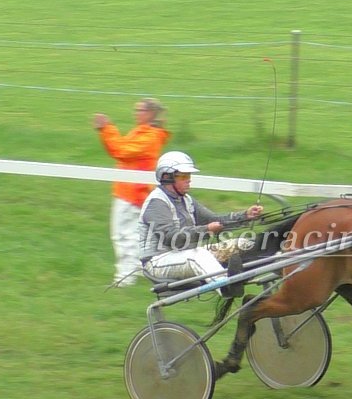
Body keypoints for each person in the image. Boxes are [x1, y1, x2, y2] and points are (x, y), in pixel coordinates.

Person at [139, 151, 263, 287]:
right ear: (167, 177)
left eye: (189, 175)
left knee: (243, 244)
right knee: (199, 255)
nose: (189, 179)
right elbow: (171, 237)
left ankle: (242, 279)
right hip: (157, 263)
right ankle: (226, 287)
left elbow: (213, 219)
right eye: (183, 176)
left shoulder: (186, 200)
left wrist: (245, 216)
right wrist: (207, 230)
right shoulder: (156, 202)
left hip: (186, 255)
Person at [95, 98, 171, 287]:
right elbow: (121, 148)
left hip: (132, 192)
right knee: (133, 234)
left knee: (122, 235)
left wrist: (106, 128)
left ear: (151, 113)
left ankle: (124, 277)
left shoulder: (149, 136)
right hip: (131, 190)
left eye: (140, 110)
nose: (136, 113)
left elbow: (121, 151)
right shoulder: (142, 132)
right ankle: (137, 269)